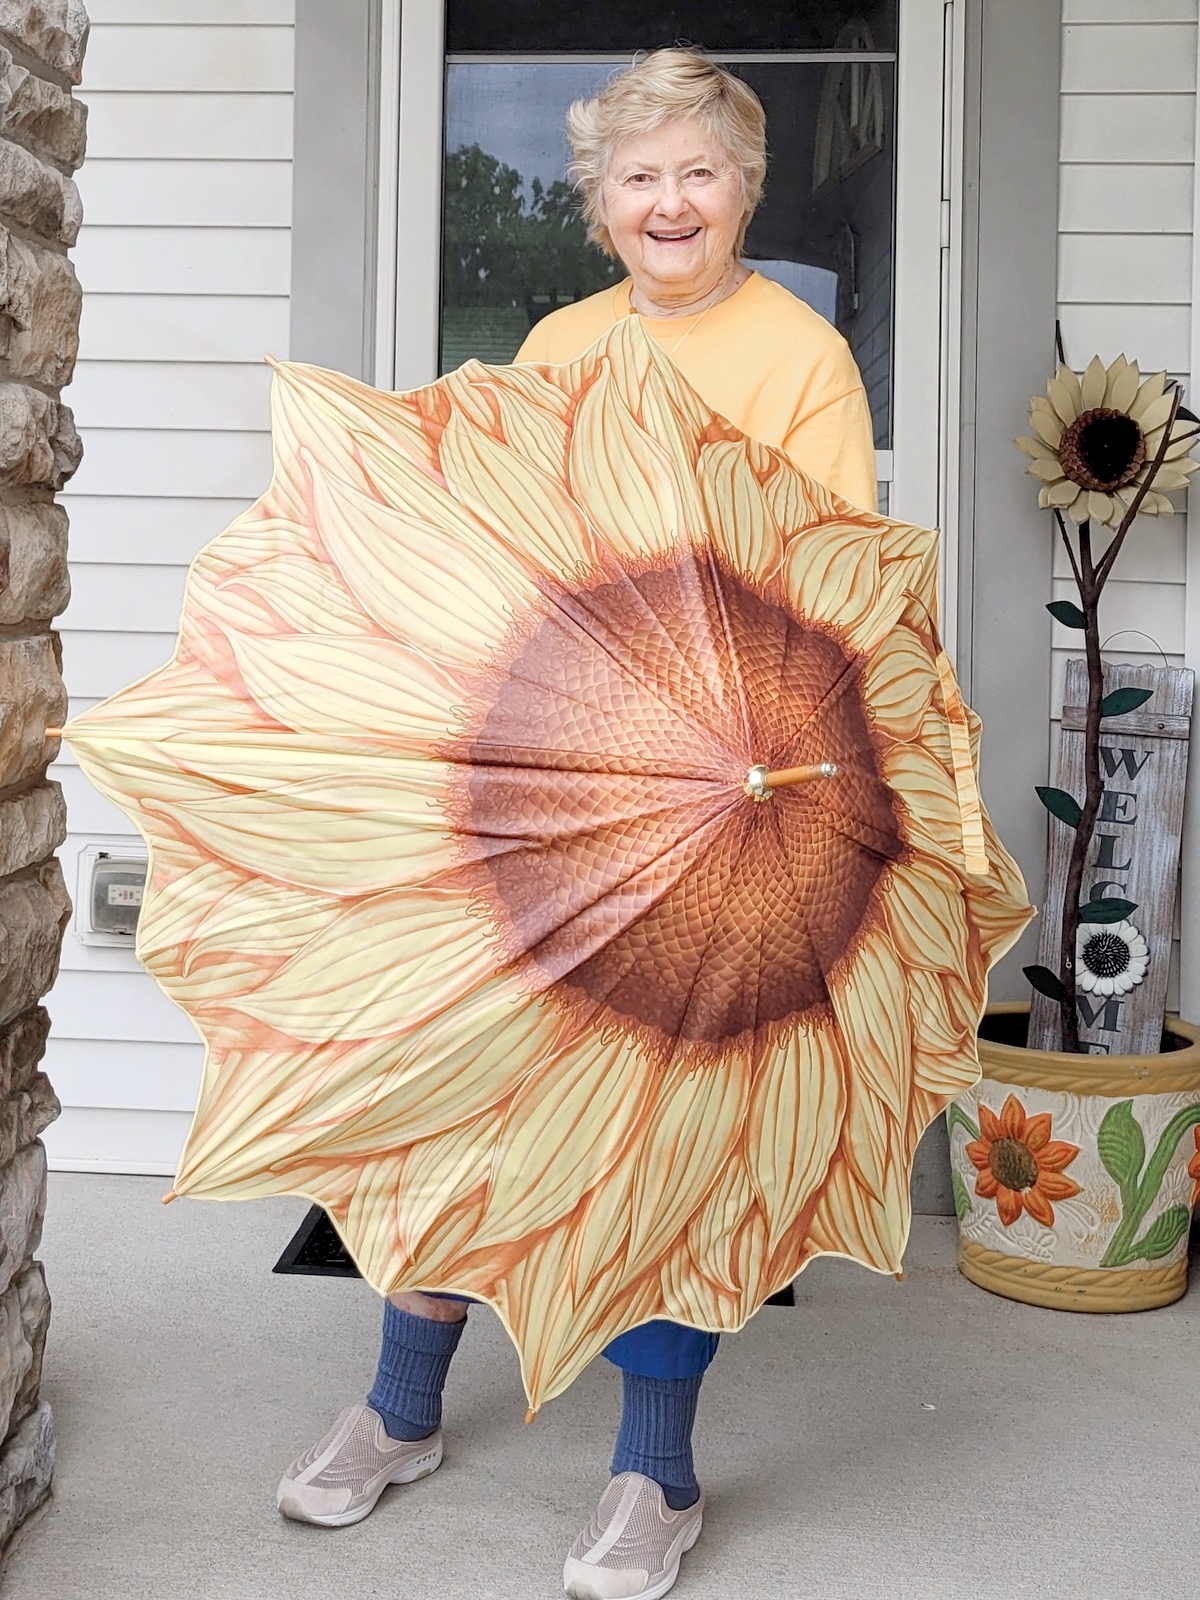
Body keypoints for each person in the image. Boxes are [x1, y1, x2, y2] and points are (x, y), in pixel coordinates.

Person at [276, 47, 878, 1600]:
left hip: (721, 793)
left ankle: (653, 1475)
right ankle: (403, 1407)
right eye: (638, 175)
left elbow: (828, 584)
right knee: (463, 1078)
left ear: (744, 191)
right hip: (552, 778)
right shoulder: (553, 341)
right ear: (598, 203)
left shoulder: (801, 357)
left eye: (700, 172)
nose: (669, 200)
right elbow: (500, 549)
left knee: (670, 1128)